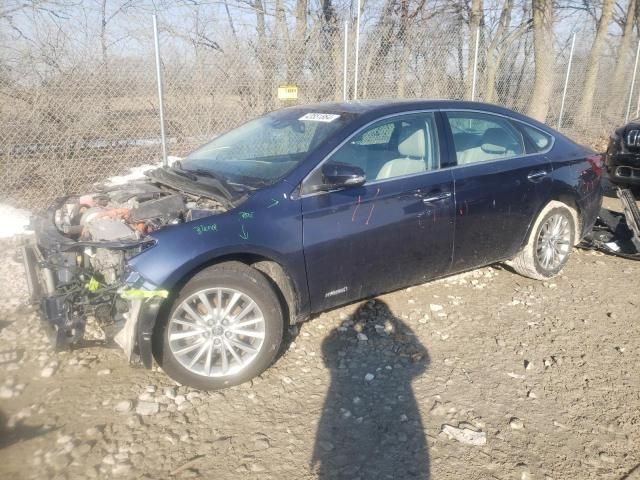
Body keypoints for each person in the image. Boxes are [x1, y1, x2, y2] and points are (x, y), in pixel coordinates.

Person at [312, 299, 430, 479]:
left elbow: (328, 351)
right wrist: (396, 324)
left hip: (340, 396)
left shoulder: (336, 347)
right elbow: (423, 362)